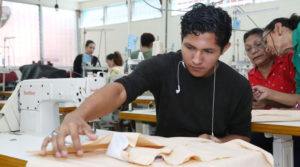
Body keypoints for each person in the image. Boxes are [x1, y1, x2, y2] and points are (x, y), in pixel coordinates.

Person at [41, 3, 252, 158]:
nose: (196, 59)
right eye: (190, 47)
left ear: (224, 49)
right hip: (165, 159)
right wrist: (79, 114)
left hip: (213, 160)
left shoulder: (238, 86)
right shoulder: (162, 66)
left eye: (208, 51)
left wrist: (220, 142)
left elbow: (242, 137)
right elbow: (120, 90)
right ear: (181, 37)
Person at [244, 28, 296, 109]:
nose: (254, 51)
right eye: (248, 49)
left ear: (269, 43)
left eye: (258, 44)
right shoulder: (251, 75)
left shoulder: (289, 62)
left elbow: (298, 105)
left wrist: (291, 109)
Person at [262, 14, 300, 106]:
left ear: (278, 28)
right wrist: (270, 94)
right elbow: (299, 102)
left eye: (266, 41)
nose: (267, 49)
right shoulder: (295, 61)